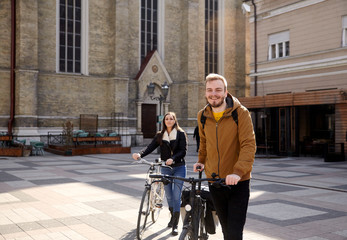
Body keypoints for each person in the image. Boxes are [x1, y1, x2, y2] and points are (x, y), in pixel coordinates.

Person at [193, 73, 256, 240]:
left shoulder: (240, 113)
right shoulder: (202, 115)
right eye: (210, 90)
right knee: (226, 231)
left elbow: (248, 145)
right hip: (215, 181)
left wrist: (238, 172)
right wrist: (201, 161)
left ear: (226, 92)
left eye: (218, 90)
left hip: (238, 182)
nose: (214, 94)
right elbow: (204, 142)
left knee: (234, 234)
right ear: (205, 92)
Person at [132, 112, 187, 236]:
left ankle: (175, 224)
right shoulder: (160, 135)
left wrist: (173, 158)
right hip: (165, 168)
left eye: (171, 119)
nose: (169, 121)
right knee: (169, 195)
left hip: (179, 167)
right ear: (164, 121)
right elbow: (150, 147)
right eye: (167, 119)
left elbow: (183, 151)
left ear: (175, 120)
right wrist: (140, 154)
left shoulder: (180, 134)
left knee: (177, 196)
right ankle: (173, 218)